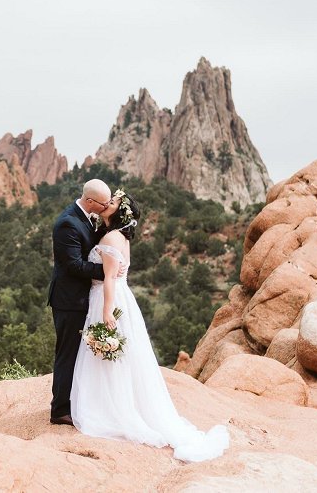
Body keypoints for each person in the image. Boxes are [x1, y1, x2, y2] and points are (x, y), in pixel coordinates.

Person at [70, 189, 230, 462]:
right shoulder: (120, 237)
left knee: (109, 354)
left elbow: (109, 278)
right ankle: (118, 403)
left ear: (121, 212)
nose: (109, 202)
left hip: (108, 299)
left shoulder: (110, 237)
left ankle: (109, 408)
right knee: (120, 355)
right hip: (122, 297)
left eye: (115, 202)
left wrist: (107, 312)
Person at [48, 179, 115, 425]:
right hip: (68, 301)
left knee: (80, 354)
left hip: (82, 298)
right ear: (89, 202)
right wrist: (107, 273)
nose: (106, 206)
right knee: (68, 354)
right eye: (103, 203)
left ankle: (75, 402)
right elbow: (73, 265)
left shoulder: (86, 217)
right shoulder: (67, 223)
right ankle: (60, 410)